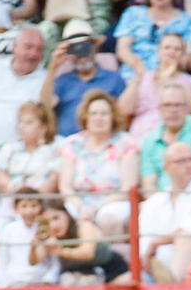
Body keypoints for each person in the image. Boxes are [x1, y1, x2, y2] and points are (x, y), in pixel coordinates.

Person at [138, 140, 191, 282]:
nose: (188, 165)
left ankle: (172, 285)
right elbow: (145, 243)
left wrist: (156, 242)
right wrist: (150, 252)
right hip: (156, 268)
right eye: (181, 161)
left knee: (185, 240)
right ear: (166, 167)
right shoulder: (154, 201)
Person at [57, 89, 138, 233]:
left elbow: (128, 188)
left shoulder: (126, 143)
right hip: (78, 202)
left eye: (104, 114)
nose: (98, 118)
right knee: (63, 219)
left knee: (107, 220)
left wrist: (96, 208)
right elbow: (65, 187)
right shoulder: (72, 144)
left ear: (113, 117)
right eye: (93, 114)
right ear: (85, 117)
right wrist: (81, 207)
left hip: (113, 201)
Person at [41, 20, 125, 138]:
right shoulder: (62, 80)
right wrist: (52, 68)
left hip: (103, 139)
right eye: (74, 49)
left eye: (84, 47)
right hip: (66, 142)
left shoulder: (114, 78)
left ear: (94, 47)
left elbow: (123, 115)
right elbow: (45, 106)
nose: (80, 55)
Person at [113, 0, 191, 83]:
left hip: (171, 78)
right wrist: (142, 72)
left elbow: (187, 55)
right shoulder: (132, 13)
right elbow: (122, 50)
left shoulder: (187, 20)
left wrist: (166, 74)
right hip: (133, 76)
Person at [139, 80, 191, 191]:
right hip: (163, 197)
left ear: (187, 107)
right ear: (159, 108)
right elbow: (149, 183)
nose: (173, 110)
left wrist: (177, 197)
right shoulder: (149, 140)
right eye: (167, 105)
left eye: (178, 105)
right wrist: (161, 200)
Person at [118, 30, 191, 139]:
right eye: (167, 47)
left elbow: (187, 112)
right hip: (140, 134)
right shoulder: (143, 77)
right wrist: (135, 82)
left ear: (182, 54)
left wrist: (168, 77)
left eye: (177, 49)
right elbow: (123, 110)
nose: (171, 52)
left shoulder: (189, 82)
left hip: (173, 135)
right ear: (158, 51)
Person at [0, 101, 59, 215]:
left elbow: (55, 178)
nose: (21, 126)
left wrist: (32, 199)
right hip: (11, 202)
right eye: (20, 121)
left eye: (28, 122)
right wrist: (15, 189)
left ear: (44, 127)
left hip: (43, 205)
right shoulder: (10, 147)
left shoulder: (56, 148)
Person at [44, 199, 132, 282]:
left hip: (111, 272)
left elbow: (88, 253)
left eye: (56, 218)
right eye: (47, 221)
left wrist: (61, 251)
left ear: (66, 214)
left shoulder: (83, 226)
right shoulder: (48, 237)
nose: (54, 225)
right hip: (78, 280)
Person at [0, 186, 62, 286]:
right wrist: (2, 284)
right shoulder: (9, 230)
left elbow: (54, 261)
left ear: (40, 207)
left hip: (41, 281)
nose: (29, 211)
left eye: (34, 205)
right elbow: (2, 260)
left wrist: (49, 280)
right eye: (24, 206)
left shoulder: (46, 228)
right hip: (14, 281)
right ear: (16, 208)